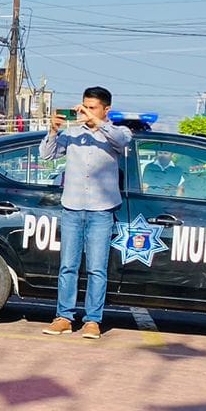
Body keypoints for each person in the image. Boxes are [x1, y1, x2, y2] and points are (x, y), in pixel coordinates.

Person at [38, 85, 131, 340]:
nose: (86, 112)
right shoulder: (72, 133)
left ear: (106, 109)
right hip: (72, 207)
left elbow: (122, 141)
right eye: (85, 106)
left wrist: (96, 123)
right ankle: (64, 317)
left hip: (101, 210)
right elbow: (46, 155)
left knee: (97, 268)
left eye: (93, 108)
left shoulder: (117, 132)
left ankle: (93, 320)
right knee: (68, 266)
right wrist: (53, 130)